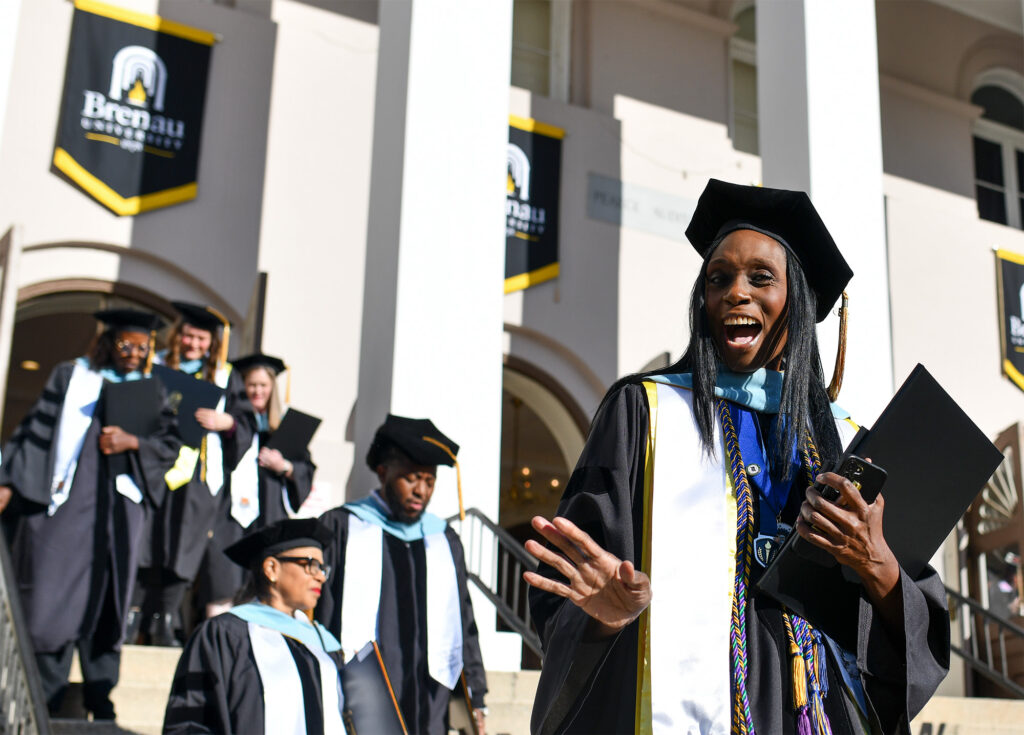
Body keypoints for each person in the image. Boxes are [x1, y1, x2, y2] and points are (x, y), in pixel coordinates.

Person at [524, 179, 950, 734]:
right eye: (718, 278)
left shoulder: (846, 443)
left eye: (760, 277)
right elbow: (569, 584)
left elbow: (912, 634)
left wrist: (877, 565)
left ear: (798, 302)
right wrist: (602, 618)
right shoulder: (646, 414)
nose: (735, 293)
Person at [0, 308, 182, 718]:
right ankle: (45, 695)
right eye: (125, 344)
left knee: (107, 598)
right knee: (51, 596)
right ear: (108, 342)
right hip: (65, 503)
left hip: (118, 511)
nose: (133, 354)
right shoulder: (72, 376)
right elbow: (34, 429)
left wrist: (133, 443)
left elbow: (170, 447)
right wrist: (8, 481)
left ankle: (101, 699)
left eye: (142, 347)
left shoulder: (153, 391)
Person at [316, 415, 488, 735]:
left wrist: (476, 694)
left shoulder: (443, 538)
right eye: (411, 479)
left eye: (429, 481)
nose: (421, 491)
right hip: (362, 688)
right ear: (383, 472)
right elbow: (320, 608)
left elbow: (463, 619)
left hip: (430, 694)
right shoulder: (341, 527)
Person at [134, 300, 254, 645]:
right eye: (189, 336)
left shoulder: (224, 375)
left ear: (212, 343)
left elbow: (245, 422)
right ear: (178, 336)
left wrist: (226, 422)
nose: (194, 344)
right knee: (147, 541)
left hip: (199, 476)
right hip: (154, 469)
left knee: (183, 547)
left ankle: (165, 619)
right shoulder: (156, 366)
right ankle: (134, 616)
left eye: (202, 339)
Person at [163, 517, 345, 734]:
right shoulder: (224, 635)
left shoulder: (325, 644)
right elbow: (191, 721)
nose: (321, 577)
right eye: (311, 565)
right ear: (271, 568)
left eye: (322, 568)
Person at [228, 353, 315, 528]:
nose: (257, 391)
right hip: (230, 515)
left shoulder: (285, 428)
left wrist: (284, 466)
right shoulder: (232, 426)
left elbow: (305, 469)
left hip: (270, 511)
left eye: (263, 385)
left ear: (272, 388)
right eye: (252, 385)